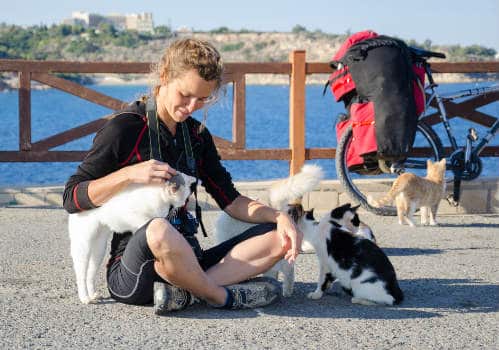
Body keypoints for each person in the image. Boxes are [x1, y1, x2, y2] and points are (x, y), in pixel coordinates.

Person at [63, 38, 302, 313]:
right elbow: (72, 197)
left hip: (191, 259)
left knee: (277, 235)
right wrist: (128, 175)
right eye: (185, 95)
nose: (191, 107)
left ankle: (186, 293)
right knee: (159, 228)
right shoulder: (124, 129)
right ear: (165, 76)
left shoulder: (197, 136)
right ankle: (218, 295)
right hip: (136, 270)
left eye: (202, 99)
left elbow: (231, 201)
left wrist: (279, 217)